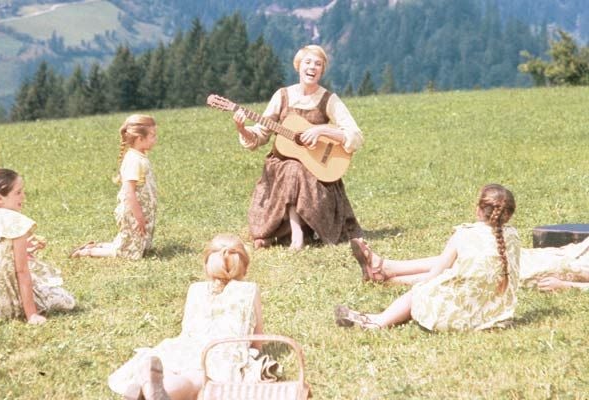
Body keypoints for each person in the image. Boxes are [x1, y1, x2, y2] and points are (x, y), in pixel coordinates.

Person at [335, 183, 520, 331]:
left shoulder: (463, 234)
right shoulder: (513, 236)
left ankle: (378, 321)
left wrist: (419, 288)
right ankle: (382, 272)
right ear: (509, 215)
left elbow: (436, 275)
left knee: (419, 292)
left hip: (457, 318)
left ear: (478, 210)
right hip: (495, 316)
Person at [233, 44, 364, 251]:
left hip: (316, 168)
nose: (312, 67)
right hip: (280, 166)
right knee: (292, 169)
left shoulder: (328, 99)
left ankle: (296, 235)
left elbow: (355, 136)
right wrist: (242, 128)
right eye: (308, 62)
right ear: (298, 66)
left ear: (322, 70)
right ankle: (294, 231)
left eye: (318, 64)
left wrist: (322, 131)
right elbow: (260, 134)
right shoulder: (282, 96)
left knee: (297, 170)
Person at [108, 234, 268, 400]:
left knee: (176, 372)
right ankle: (161, 394)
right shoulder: (249, 290)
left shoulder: (195, 289)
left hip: (184, 347)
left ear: (207, 266)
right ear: (244, 267)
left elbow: (187, 326)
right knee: (197, 382)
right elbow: (257, 340)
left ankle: (152, 388)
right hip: (222, 352)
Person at [0, 149, 75, 324]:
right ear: (0, 198)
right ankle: (30, 310)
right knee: (66, 300)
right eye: (18, 192)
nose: (24, 196)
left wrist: (27, 247)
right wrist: (31, 314)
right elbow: (21, 271)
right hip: (10, 301)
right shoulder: (16, 222)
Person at [357, 230, 589, 292]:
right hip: (553, 256)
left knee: (467, 269)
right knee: (469, 258)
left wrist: (565, 286)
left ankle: (388, 275)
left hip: (554, 268)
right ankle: (387, 269)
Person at [70, 114, 158, 260]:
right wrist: (138, 217)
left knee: (135, 245)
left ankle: (96, 246)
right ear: (139, 139)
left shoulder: (140, 156)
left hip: (141, 210)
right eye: (152, 136)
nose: (155, 139)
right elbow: (129, 192)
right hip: (134, 212)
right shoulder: (133, 160)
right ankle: (88, 252)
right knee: (128, 253)